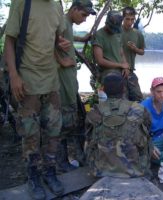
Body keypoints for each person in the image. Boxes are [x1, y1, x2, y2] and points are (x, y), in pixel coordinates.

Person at [3, 1, 71, 199]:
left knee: (54, 131)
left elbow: (55, 39)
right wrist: (14, 75)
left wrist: (61, 43)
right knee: (31, 135)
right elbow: (9, 41)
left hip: (51, 81)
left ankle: (50, 173)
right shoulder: (22, 3)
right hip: (28, 82)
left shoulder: (57, 6)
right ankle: (33, 176)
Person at [84, 72, 153, 178]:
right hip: (136, 170)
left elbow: (88, 135)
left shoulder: (94, 111)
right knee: (146, 136)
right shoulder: (139, 109)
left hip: (99, 170)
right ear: (123, 89)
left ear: (104, 90)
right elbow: (148, 127)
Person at [55, 0, 96, 173]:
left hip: (69, 82)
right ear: (74, 9)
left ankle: (75, 157)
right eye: (84, 14)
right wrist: (61, 60)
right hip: (63, 83)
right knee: (65, 122)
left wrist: (81, 38)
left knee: (75, 119)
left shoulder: (67, 24)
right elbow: (46, 43)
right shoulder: (61, 22)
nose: (85, 19)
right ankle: (62, 162)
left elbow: (64, 40)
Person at [91, 10, 130, 95]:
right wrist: (120, 65)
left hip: (121, 68)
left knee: (134, 89)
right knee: (119, 91)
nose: (114, 31)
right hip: (108, 70)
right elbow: (100, 61)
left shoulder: (118, 33)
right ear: (107, 23)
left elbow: (121, 53)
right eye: (112, 28)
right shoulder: (99, 35)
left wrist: (125, 66)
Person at [121, 6, 145, 102]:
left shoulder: (137, 34)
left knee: (138, 99)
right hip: (116, 70)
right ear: (122, 18)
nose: (130, 22)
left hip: (130, 71)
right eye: (127, 19)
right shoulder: (116, 32)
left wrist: (135, 49)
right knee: (122, 100)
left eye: (132, 19)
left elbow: (142, 51)